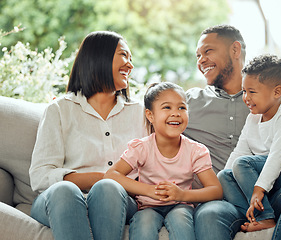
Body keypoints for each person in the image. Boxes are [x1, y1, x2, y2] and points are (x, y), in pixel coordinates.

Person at [184, 24, 281, 240]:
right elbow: (156, 120)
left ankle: (266, 213)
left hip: (280, 187)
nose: (200, 60)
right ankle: (257, 213)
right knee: (209, 212)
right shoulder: (189, 103)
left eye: (208, 51)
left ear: (235, 50)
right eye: (198, 55)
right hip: (231, 197)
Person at [29, 31, 146, 240]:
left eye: (131, 58)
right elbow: (40, 176)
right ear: (98, 56)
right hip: (61, 201)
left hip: (118, 200)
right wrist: (100, 178)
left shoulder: (140, 113)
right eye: (124, 55)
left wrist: (109, 183)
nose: (130, 65)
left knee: (108, 188)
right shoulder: (59, 110)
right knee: (65, 190)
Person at [104, 82, 223, 240]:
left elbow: (215, 190)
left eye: (182, 108)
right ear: (150, 115)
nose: (176, 113)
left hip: (180, 205)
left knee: (181, 218)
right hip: (148, 207)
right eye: (167, 107)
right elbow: (111, 175)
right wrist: (149, 191)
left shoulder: (196, 150)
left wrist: (182, 195)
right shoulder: (142, 147)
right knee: (144, 222)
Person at [225, 54, 281, 232]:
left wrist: (259, 189)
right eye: (244, 91)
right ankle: (254, 214)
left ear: (277, 92)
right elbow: (238, 152)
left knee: (242, 164)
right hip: (266, 174)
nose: (246, 97)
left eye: (252, 92)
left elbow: (276, 158)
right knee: (224, 175)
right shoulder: (252, 119)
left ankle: (266, 217)